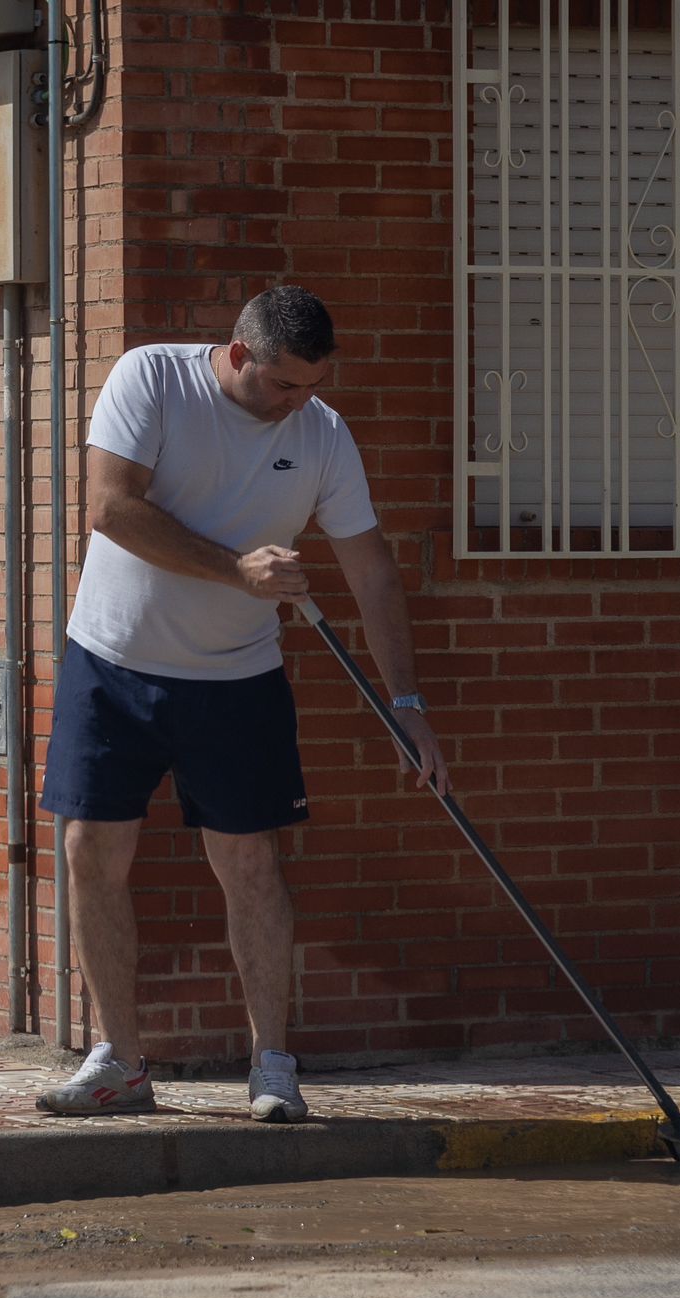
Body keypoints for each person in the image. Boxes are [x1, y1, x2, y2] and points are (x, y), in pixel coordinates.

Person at [34, 286, 448, 1123]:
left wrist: (407, 701)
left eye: (315, 384)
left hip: (237, 679)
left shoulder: (324, 435)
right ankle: (120, 1060)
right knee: (90, 850)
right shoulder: (152, 379)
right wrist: (238, 572)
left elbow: (370, 569)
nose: (303, 401)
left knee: (251, 864)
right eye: (287, 384)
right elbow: (109, 508)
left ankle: (273, 1066)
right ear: (238, 356)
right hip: (112, 663)